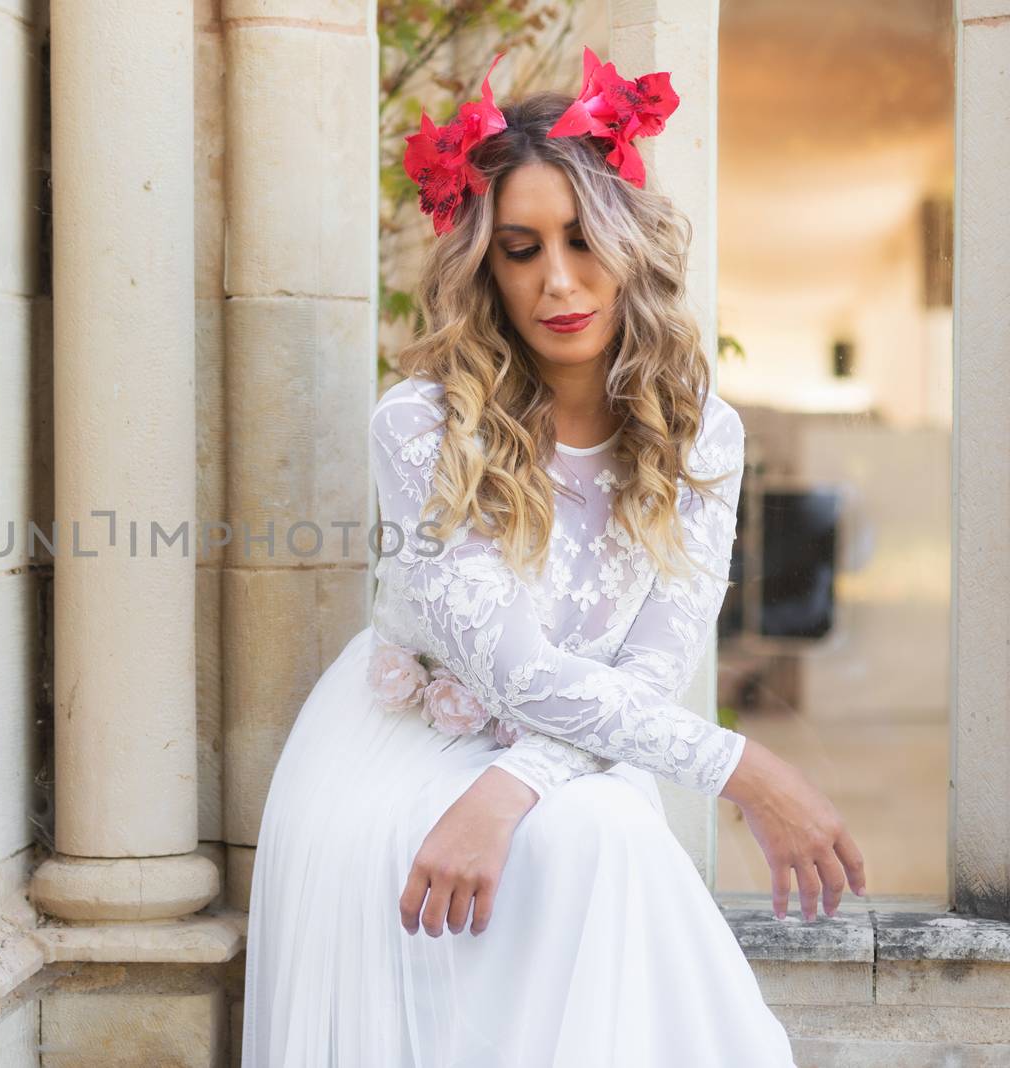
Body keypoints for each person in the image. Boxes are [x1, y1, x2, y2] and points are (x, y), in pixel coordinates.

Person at [239, 49, 866, 1067]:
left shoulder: (701, 432)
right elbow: (513, 670)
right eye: (521, 249)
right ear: (484, 267)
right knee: (605, 838)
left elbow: (654, 670)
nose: (558, 281)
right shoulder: (421, 427)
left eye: (582, 240)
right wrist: (747, 772)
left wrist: (508, 787)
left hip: (566, 757)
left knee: (603, 837)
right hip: (401, 751)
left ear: (630, 244)